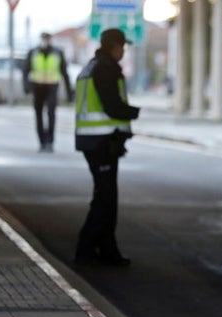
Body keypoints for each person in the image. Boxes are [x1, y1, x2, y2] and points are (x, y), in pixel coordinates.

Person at [73, 28, 140, 267]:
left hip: (96, 140)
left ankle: (106, 250)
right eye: (122, 46)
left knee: (107, 197)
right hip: (101, 141)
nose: (124, 51)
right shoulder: (105, 68)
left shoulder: (92, 66)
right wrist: (133, 112)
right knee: (105, 198)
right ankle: (86, 249)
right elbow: (112, 105)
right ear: (114, 46)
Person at [22, 32, 73, 152]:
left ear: (50, 39)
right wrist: (27, 87)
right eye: (44, 38)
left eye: (47, 38)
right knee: (38, 115)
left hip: (52, 87)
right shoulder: (33, 52)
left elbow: (64, 73)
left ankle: (50, 141)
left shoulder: (57, 52)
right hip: (37, 86)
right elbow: (25, 70)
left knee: (51, 114)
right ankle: (42, 141)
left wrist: (69, 93)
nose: (45, 41)